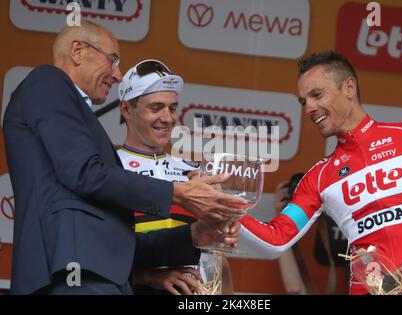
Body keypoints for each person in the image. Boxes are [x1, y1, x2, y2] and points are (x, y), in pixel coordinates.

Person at [2, 20, 245, 295]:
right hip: (72, 278)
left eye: (172, 108)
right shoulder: (48, 80)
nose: (118, 75)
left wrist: (193, 236)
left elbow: (116, 240)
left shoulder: (84, 138)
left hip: (98, 278)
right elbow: (84, 173)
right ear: (78, 51)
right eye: (113, 60)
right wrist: (178, 193)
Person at [237, 51, 402, 295]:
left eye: (316, 95)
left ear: (349, 87)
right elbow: (277, 239)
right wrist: (223, 208)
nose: (309, 108)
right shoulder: (318, 177)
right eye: (303, 101)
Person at [116, 59, 234, 295]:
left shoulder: (194, 172)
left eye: (172, 108)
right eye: (155, 107)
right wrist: (146, 276)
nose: (168, 118)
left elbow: (216, 257)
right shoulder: (108, 170)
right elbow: (96, 250)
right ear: (127, 109)